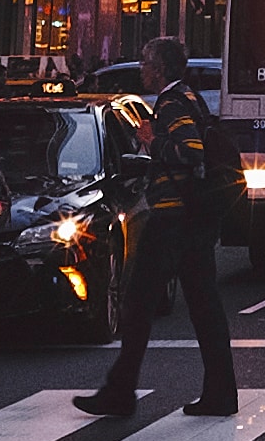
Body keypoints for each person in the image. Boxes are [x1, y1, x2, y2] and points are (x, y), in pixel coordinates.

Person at [87, 55, 242, 420]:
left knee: (138, 303)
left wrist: (152, 140)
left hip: (173, 216)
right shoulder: (190, 98)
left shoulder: (171, 104)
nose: (142, 69)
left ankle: (121, 393)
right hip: (194, 217)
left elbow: (190, 151)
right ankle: (220, 393)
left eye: (145, 63)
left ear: (159, 69)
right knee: (205, 308)